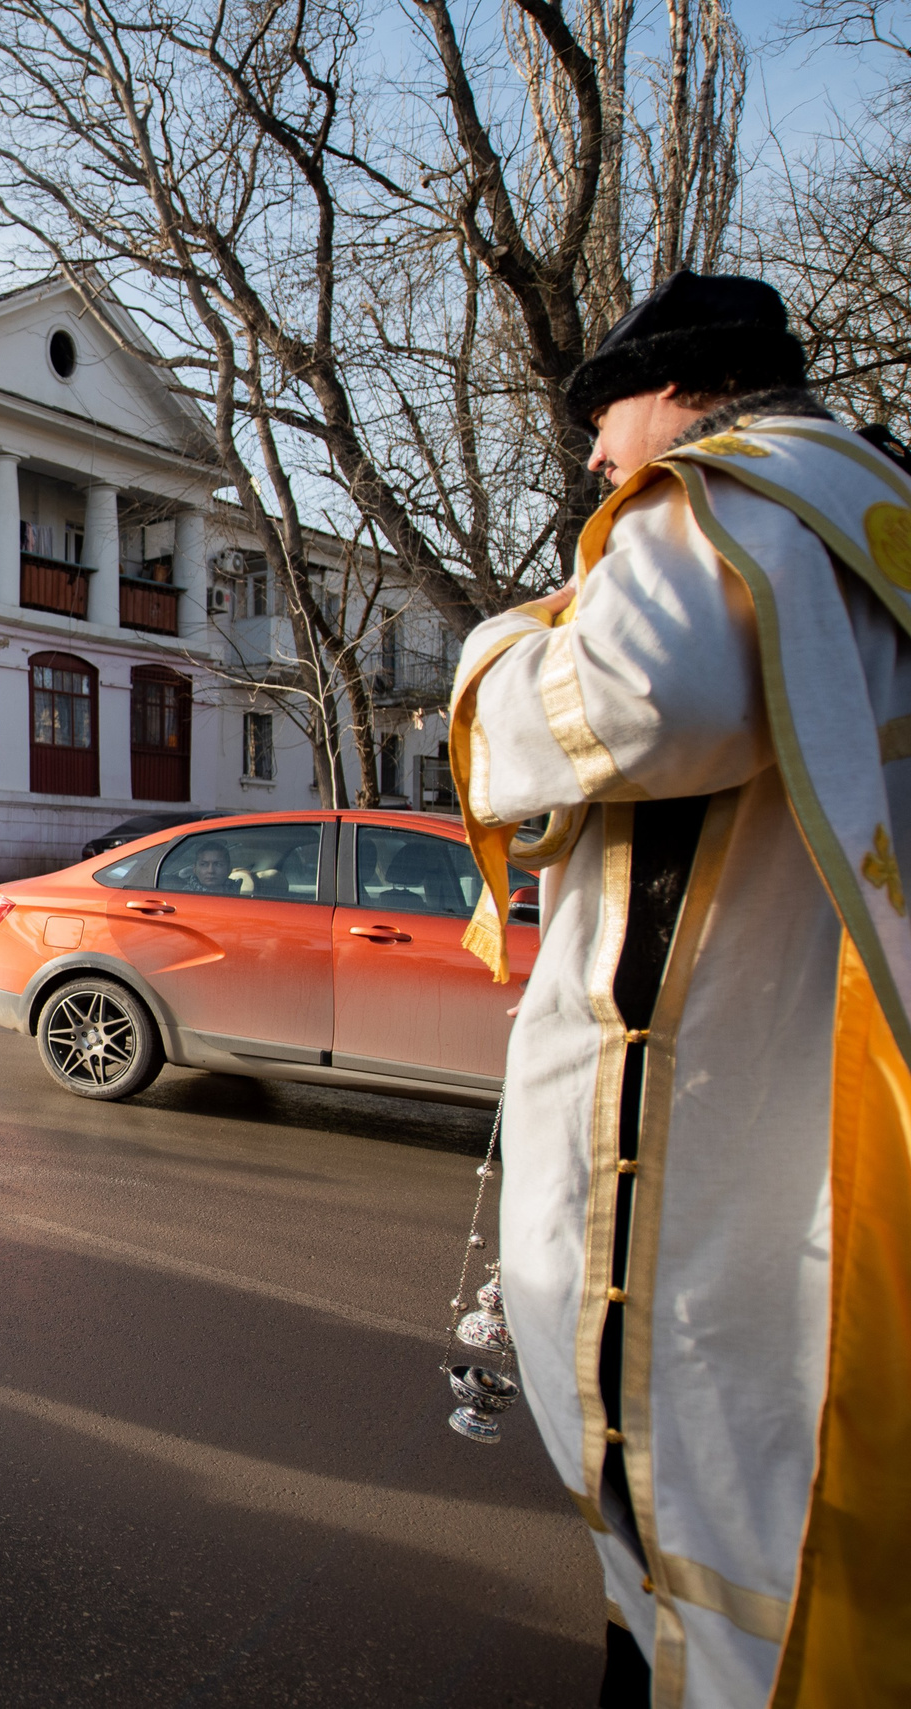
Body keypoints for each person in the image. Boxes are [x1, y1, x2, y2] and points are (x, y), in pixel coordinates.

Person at [449, 270, 910, 1707]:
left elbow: (638, 698)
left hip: (711, 1111)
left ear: (682, 394)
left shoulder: (726, 503)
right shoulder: (871, 513)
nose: (595, 456)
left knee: (709, 1476)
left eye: (606, 417)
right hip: (832, 1050)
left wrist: (499, 646)